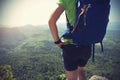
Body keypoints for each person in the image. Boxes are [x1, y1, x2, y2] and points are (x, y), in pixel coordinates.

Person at [48, 0, 91, 80]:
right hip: (87, 46)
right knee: (80, 71)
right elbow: (106, 21)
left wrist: (57, 42)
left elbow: (51, 21)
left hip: (71, 47)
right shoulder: (93, 2)